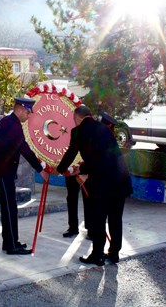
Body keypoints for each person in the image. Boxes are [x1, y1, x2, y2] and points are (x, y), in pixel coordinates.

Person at [56, 106, 132, 265]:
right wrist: (84, 168)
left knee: (98, 219)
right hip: (120, 180)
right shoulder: (104, 128)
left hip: (102, 183)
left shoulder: (78, 131)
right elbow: (104, 155)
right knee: (115, 219)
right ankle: (114, 254)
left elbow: (73, 153)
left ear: (77, 118)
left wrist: (60, 169)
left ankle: (97, 255)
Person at [0, 97, 49, 255]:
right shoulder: (12, 124)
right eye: (28, 112)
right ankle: (11, 246)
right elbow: (25, 148)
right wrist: (40, 169)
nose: (29, 116)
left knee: (9, 208)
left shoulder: (10, 122)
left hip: (3, 172)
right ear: (21, 109)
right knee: (9, 208)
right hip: (2, 173)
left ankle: (10, 242)